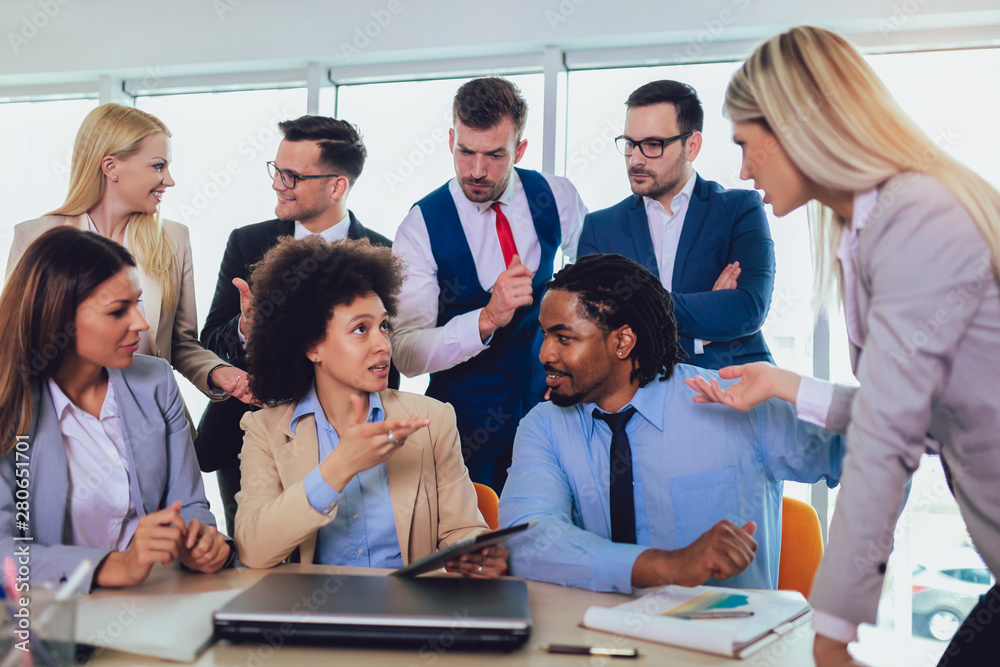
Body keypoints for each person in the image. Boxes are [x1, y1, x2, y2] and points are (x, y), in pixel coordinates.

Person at [685, 25, 1000, 667]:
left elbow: (889, 439)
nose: (743, 171)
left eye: (747, 145)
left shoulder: (917, 220)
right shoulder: (871, 228)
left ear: (798, 128)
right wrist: (782, 385)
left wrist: (831, 633)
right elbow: (922, 415)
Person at [497, 253, 843, 593]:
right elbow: (526, 540)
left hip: (722, 643)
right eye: (545, 335)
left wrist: (857, 572)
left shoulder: (736, 403)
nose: (545, 355)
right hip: (595, 640)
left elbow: (878, 445)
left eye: (564, 338)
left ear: (623, 342)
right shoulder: (544, 426)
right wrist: (672, 565)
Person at [234, 236, 505, 577]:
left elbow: (462, 531)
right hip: (314, 618)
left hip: (410, 616)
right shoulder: (265, 431)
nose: (382, 345)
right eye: (360, 329)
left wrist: (479, 554)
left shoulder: (433, 420)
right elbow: (253, 550)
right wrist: (340, 466)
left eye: (383, 326)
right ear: (312, 345)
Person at [0, 227, 231, 593]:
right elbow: (3, 551)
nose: (141, 325)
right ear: (58, 318)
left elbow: (189, 504)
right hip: (50, 617)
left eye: (136, 303)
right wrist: (115, 566)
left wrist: (200, 541)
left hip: (156, 596)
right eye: (117, 311)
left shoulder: (154, 380)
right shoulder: (10, 404)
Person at [197, 115, 395, 535]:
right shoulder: (246, 242)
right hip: (248, 437)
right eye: (277, 170)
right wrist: (246, 328)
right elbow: (210, 339)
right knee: (257, 559)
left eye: (292, 176)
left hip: (347, 440)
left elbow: (387, 361)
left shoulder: (384, 252)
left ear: (337, 185)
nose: (277, 184)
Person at [392, 76, 588, 492]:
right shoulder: (420, 226)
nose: (477, 171)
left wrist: (575, 372)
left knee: (549, 537)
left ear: (520, 149)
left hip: (550, 415)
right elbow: (406, 353)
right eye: (466, 152)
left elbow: (597, 290)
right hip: (464, 429)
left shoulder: (557, 196)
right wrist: (484, 320)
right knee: (470, 548)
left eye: (496, 155)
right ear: (450, 140)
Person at [6, 103, 251, 406]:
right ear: (111, 167)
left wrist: (218, 371)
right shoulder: (37, 237)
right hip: (60, 416)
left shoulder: (173, 239)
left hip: (151, 417)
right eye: (158, 166)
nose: (170, 180)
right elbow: (16, 341)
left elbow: (180, 343)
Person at [578, 80, 774, 370]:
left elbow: (748, 309)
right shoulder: (600, 228)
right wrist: (703, 328)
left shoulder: (740, 209)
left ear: (691, 146)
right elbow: (593, 327)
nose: (635, 159)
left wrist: (635, 309)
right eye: (630, 144)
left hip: (731, 387)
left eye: (653, 145)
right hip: (638, 395)